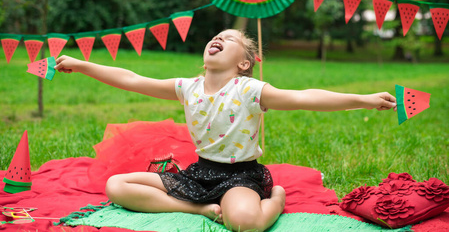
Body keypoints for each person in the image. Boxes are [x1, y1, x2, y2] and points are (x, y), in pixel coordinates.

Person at [55, 29, 397, 232]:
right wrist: (83, 65)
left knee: (245, 224)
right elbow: (132, 79)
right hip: (198, 174)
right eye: (217, 36)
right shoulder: (187, 87)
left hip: (240, 177)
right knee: (116, 185)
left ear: (243, 63)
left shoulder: (249, 90)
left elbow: (306, 97)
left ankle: (275, 200)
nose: (219, 37)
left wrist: (364, 99)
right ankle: (199, 210)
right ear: (205, 56)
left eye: (229, 39)